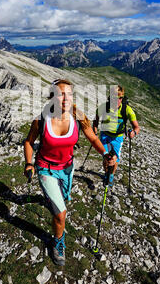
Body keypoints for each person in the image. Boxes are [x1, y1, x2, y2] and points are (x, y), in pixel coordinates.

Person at [24, 78, 115, 266]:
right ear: (52, 96)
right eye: (60, 94)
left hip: (67, 168)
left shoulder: (77, 116)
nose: (65, 98)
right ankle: (58, 242)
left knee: (64, 198)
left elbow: (92, 138)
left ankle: (54, 201)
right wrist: (28, 163)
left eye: (69, 94)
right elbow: (29, 141)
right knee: (60, 214)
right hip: (45, 168)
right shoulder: (42, 119)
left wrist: (105, 154)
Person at [92, 85, 140, 187]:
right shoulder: (103, 107)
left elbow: (136, 127)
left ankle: (111, 176)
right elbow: (95, 120)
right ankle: (106, 173)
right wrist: (94, 132)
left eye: (120, 98)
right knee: (106, 158)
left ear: (122, 98)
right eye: (114, 98)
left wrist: (133, 133)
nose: (117, 100)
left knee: (114, 159)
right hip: (105, 136)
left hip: (118, 137)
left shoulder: (127, 110)